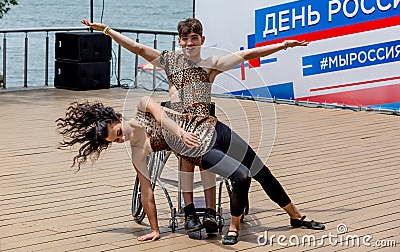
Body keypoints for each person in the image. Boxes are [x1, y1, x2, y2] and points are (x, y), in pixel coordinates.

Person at [80, 18, 310, 236]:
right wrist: (107, 30)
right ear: (179, 41)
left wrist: (284, 45)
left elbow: (249, 54)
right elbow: (138, 48)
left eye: (194, 38)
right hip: (177, 128)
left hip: (206, 125)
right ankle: (191, 211)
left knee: (258, 170)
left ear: (202, 39)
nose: (189, 43)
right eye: (185, 39)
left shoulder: (212, 65)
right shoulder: (170, 61)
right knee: (189, 154)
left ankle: (290, 215)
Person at [57, 96, 325, 245]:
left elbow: (162, 116)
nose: (121, 140)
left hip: (213, 129)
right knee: (241, 175)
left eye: (117, 133)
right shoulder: (138, 152)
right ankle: (234, 227)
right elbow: (147, 193)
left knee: (261, 171)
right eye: (115, 142)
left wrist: (180, 132)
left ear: (118, 119)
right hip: (199, 149)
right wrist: (155, 229)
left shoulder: (141, 106)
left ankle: (296, 217)